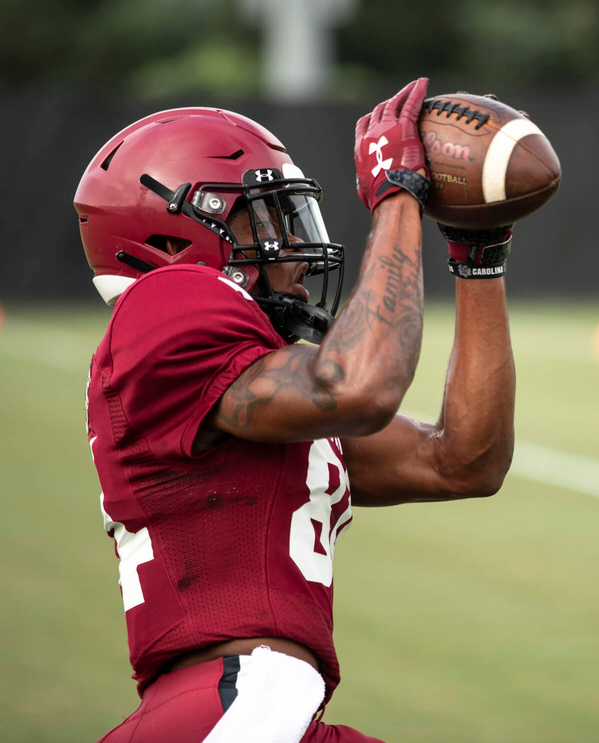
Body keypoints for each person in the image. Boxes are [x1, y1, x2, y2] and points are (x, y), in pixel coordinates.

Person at [73, 78, 517, 742]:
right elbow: (360, 387)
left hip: (252, 709)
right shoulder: (165, 302)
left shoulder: (250, 395)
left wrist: (478, 256)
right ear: (171, 243)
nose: (297, 251)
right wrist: (397, 195)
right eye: (267, 217)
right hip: (239, 706)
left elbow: (462, 461)